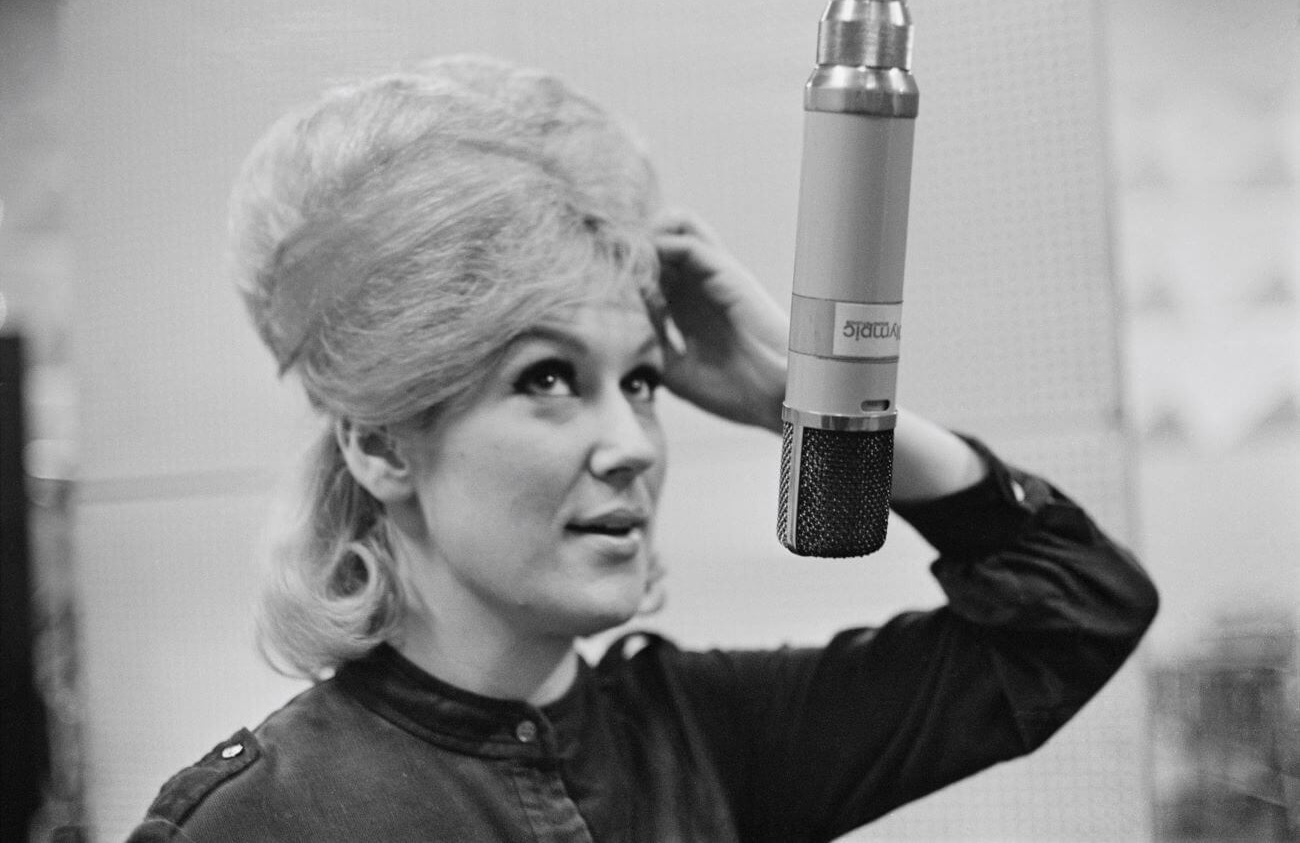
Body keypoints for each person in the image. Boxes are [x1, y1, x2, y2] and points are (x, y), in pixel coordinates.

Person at [126, 55, 1158, 842]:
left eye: (641, 384)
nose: (631, 446)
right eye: (546, 379)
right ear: (380, 446)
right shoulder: (260, 820)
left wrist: (816, 401)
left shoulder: (707, 739)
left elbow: (1076, 610)